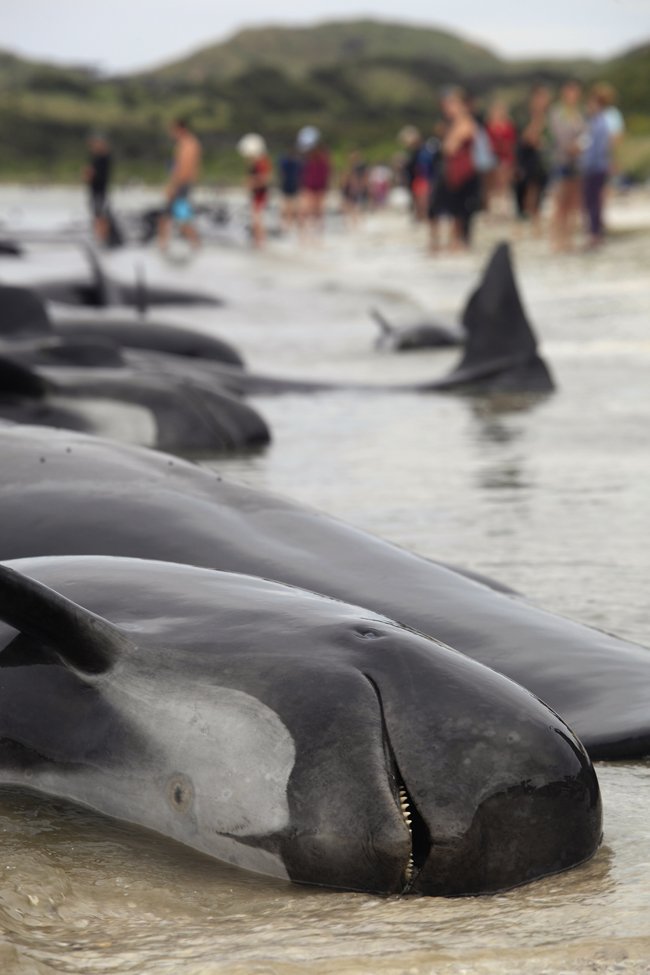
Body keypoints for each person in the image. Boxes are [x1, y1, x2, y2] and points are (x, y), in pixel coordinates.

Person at [429, 87, 479, 252]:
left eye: (451, 104)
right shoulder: (454, 124)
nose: (448, 109)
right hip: (456, 172)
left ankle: (453, 243)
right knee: (452, 210)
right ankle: (448, 243)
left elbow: (450, 148)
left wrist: (449, 135)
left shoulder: (465, 123)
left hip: (461, 173)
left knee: (457, 210)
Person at [549, 81, 585, 252]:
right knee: (560, 201)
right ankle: (558, 238)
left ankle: (569, 237)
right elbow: (559, 135)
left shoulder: (578, 113)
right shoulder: (558, 112)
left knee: (573, 202)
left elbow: (585, 134)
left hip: (577, 161)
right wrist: (571, 147)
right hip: (563, 159)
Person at [158, 118, 202, 250]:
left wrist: (173, 187)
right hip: (184, 186)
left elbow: (184, 169)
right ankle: (194, 246)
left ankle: (163, 249)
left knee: (171, 220)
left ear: (180, 129)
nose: (171, 133)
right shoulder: (190, 143)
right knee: (177, 219)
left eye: (173, 130)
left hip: (181, 186)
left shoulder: (187, 144)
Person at [513, 85, 551, 232]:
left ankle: (536, 223)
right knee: (524, 192)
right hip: (525, 159)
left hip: (542, 160)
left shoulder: (549, 117)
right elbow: (528, 138)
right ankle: (522, 225)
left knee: (539, 191)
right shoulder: (524, 115)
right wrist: (537, 120)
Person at [581, 86, 613, 249]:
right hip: (596, 166)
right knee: (593, 201)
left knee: (592, 201)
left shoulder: (599, 123)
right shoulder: (596, 122)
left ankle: (594, 234)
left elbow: (598, 149)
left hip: (594, 167)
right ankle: (595, 232)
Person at [238, 133, 273, 248]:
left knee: (257, 218)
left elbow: (265, 178)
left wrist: (252, 183)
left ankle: (260, 241)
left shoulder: (261, 162)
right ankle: (257, 240)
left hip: (260, 193)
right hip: (257, 193)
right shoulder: (257, 162)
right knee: (256, 218)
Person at [485, 100, 517, 217]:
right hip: (492, 158)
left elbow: (511, 142)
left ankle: (504, 209)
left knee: (505, 184)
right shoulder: (488, 126)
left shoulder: (509, 125)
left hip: (506, 159)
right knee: (492, 185)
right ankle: (492, 209)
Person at [399, 126, 436, 221]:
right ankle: (422, 215)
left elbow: (425, 166)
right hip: (419, 178)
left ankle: (424, 215)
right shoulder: (417, 151)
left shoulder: (425, 150)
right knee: (420, 199)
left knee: (423, 199)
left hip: (423, 178)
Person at [299, 132, 331, 235]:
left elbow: (327, 173)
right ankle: (306, 233)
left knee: (318, 211)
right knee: (306, 210)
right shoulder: (308, 158)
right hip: (310, 186)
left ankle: (317, 233)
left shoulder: (322, 157)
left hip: (318, 187)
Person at [84, 134, 112, 245]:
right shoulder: (94, 158)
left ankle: (103, 237)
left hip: (101, 190)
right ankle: (98, 236)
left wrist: (89, 173)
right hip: (94, 190)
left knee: (101, 215)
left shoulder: (104, 157)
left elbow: (94, 174)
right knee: (96, 214)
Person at [277, 146, 303, 231]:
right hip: (293, 184)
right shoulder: (297, 162)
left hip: (288, 184)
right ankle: (290, 222)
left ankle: (288, 222)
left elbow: (281, 169)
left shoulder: (286, 162)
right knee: (291, 204)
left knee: (288, 204)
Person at [339, 151, 368, 226]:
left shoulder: (359, 166)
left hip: (353, 187)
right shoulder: (349, 166)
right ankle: (351, 220)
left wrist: (361, 186)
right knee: (349, 204)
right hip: (348, 187)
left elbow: (362, 177)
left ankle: (355, 220)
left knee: (354, 204)